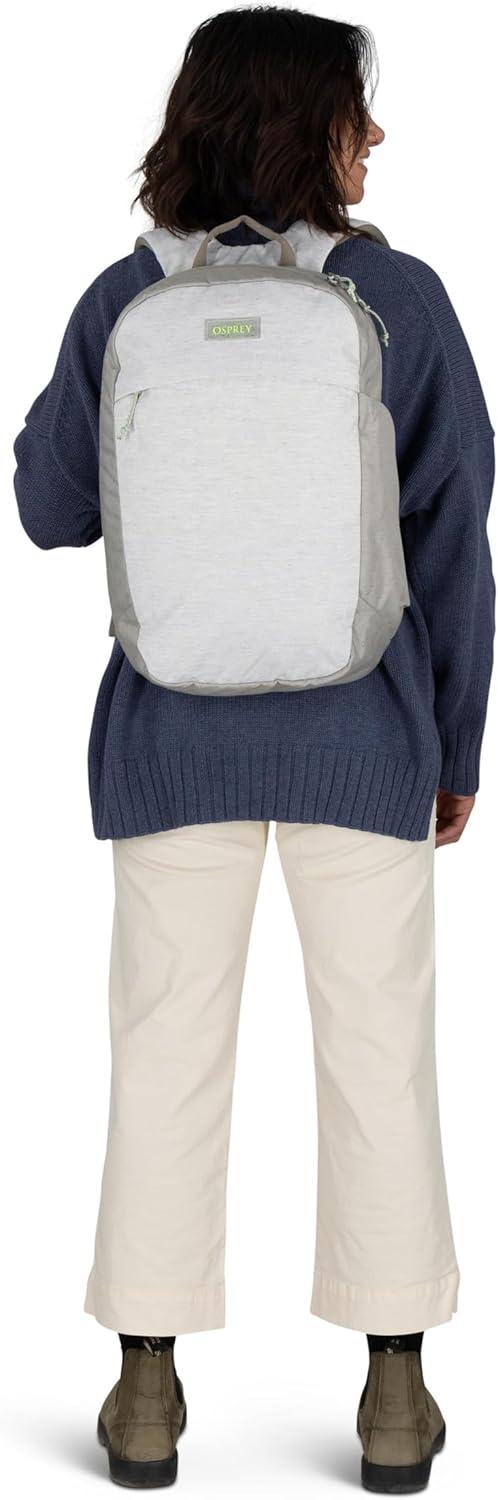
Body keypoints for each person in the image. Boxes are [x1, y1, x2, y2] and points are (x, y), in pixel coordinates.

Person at [13, 8, 495, 1494]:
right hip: (365, 741)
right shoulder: (397, 296)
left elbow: (46, 508)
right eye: (359, 111)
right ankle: (394, 1398)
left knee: (163, 1053)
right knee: (378, 1054)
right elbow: (454, 538)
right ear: (308, 126)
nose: (377, 136)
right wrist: (455, 746)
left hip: (170, 748)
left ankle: (146, 1393)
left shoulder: (124, 296)